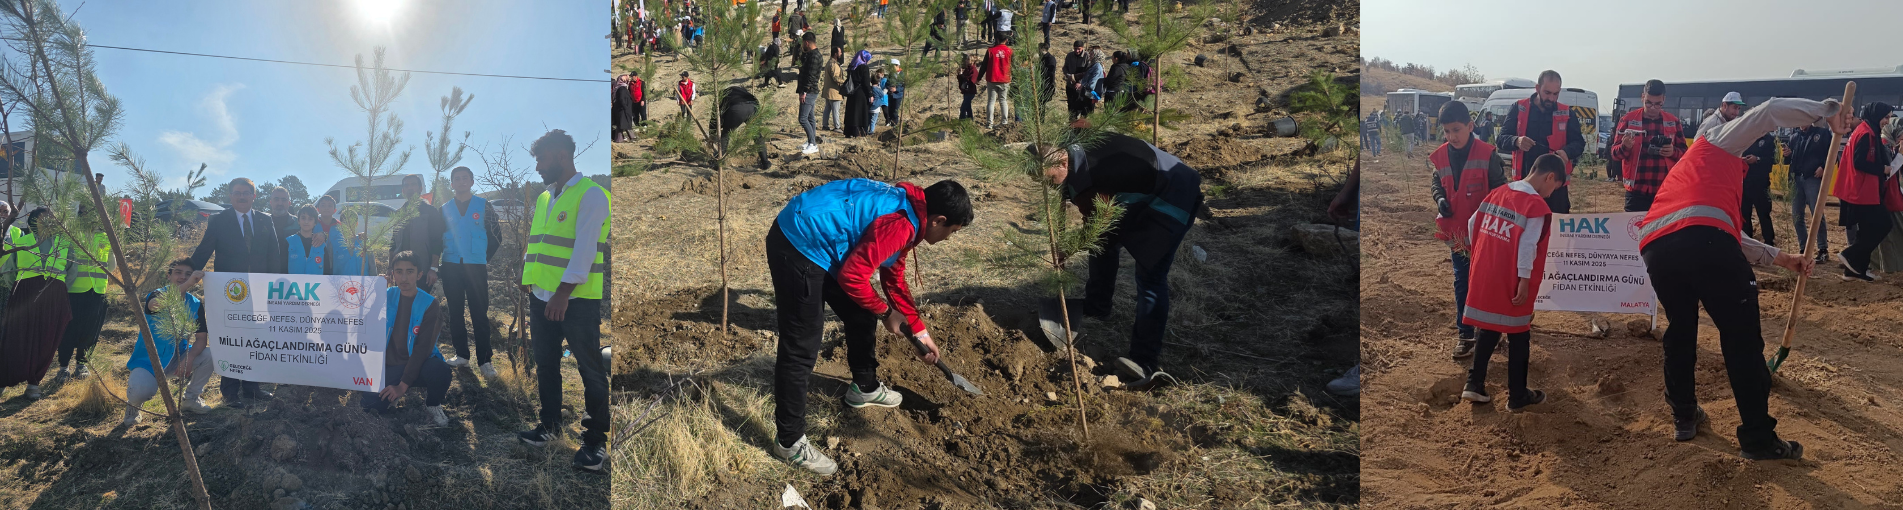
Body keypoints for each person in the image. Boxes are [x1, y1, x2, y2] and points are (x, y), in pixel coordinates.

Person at [1638, 97, 1843, 459]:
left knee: (1681, 330)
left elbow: (1727, 234)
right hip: (1702, 242)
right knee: (1741, 339)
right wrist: (1827, 112)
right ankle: (1758, 439)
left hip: (1658, 250)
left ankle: (1684, 416)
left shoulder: (1691, 179)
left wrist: (1785, 260)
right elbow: (1769, 111)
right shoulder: (1714, 142)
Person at [767, 178, 974, 475]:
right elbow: (853, 277)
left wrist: (919, 330)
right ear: (938, 220)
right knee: (801, 346)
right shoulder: (901, 223)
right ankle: (789, 441)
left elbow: (894, 276)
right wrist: (886, 312)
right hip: (798, 242)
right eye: (951, 232)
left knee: (861, 314)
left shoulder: (911, 209)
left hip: (825, 240)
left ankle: (864, 387)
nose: (949, 238)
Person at [1038, 131, 1205, 388]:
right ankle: (1098, 305)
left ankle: (1144, 360)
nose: (1047, 185)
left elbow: (1097, 223)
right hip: (1139, 185)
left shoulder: (1094, 178)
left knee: (1151, 276)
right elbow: (1074, 203)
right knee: (1103, 245)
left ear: (1062, 162)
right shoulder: (1073, 152)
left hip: (1173, 191)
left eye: (1049, 179)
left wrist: (1069, 249)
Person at [516, 130, 611, 472]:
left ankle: (595, 443)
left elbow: (584, 252)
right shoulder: (545, 198)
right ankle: (551, 425)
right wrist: (528, 280)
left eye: (541, 160)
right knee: (546, 364)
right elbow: (538, 243)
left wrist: (561, 294)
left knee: (590, 369)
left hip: (575, 301)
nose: (538, 167)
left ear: (559, 156)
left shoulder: (592, 195)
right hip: (542, 298)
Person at [1458, 154, 1567, 411]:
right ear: (1549, 177)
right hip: (1512, 277)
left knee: (1489, 325)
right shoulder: (1535, 206)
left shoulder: (1498, 192)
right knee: (1519, 334)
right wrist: (1524, 280)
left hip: (1486, 271)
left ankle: (1474, 384)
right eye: (1554, 187)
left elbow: (1473, 223)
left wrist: (1484, 255)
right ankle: (1517, 395)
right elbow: (1528, 246)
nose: (1551, 194)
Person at [187, 177, 283, 406]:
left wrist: (275, 287)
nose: (242, 197)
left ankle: (252, 388)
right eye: (237, 193)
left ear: (254, 196)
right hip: (230, 293)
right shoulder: (219, 221)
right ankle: (230, 392)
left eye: (246, 193)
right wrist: (184, 276)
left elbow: (274, 255)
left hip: (259, 292)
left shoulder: (265, 220)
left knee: (256, 338)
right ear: (230, 196)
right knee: (232, 339)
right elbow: (204, 251)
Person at [1429, 102, 1509, 360]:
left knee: (1490, 284)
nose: (1451, 136)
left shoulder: (1488, 155)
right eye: (1447, 131)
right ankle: (1465, 335)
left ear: (1470, 126)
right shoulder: (1441, 155)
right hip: (1458, 237)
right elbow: (1436, 182)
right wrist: (1439, 198)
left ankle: (1494, 331)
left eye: (1456, 130)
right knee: (1462, 282)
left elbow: (1501, 192)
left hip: (1487, 237)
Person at [361, 251, 454, 428]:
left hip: (418, 363)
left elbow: (422, 349)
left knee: (440, 371)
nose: (404, 277)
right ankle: (391, 393)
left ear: (419, 274)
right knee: (370, 405)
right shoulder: (386, 295)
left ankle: (433, 404)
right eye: (398, 271)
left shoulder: (429, 304)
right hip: (390, 365)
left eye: (410, 271)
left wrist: (402, 386)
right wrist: (375, 291)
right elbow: (366, 323)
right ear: (392, 273)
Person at [123, 258, 215, 425]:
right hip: (148, 362)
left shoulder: (195, 304)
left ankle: (191, 399)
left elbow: (201, 339)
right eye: (178, 272)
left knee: (211, 355)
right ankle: (133, 406)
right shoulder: (157, 293)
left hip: (178, 359)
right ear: (168, 275)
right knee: (140, 392)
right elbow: (154, 305)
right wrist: (188, 284)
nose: (183, 277)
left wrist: (190, 358)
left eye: (188, 274)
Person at [1, 207, 73, 400]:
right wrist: (20, 289)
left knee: (47, 338)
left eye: (52, 218)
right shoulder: (20, 240)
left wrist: (60, 290)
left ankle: (34, 383)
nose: (48, 221)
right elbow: (9, 270)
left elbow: (71, 271)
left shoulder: (65, 243)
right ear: (32, 220)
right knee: (16, 335)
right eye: (43, 218)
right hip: (25, 294)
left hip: (54, 296)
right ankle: (4, 378)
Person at [440, 167, 502, 377]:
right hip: (451, 266)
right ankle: (461, 355)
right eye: (456, 179)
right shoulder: (445, 208)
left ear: (472, 181)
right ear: (452, 184)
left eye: (465, 178)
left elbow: (496, 236)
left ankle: (485, 361)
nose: (461, 181)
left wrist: (482, 258)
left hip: (475, 267)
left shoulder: (484, 205)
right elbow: (437, 238)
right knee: (455, 312)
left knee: (479, 313)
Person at [1494, 70, 1583, 213]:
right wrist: (1516, 140)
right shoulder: (1519, 108)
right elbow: (1501, 139)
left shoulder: (1567, 113)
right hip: (1526, 183)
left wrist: (1567, 152)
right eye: (1547, 93)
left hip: (1555, 187)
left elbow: (1579, 143)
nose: (1551, 98)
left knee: (1555, 230)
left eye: (1556, 94)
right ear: (1537, 88)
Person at [1833, 102, 1902, 282]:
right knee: (1883, 224)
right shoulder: (1866, 133)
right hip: (1862, 191)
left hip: (1861, 190)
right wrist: (1883, 169)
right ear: (1876, 115)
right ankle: (1850, 255)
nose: (1887, 121)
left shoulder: (1866, 130)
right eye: (1886, 117)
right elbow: (1860, 162)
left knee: (1865, 230)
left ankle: (1855, 271)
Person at [52, 211, 111, 383]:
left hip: (98, 290)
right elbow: (59, 263)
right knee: (68, 329)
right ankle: (63, 367)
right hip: (73, 290)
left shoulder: (105, 237)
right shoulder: (67, 235)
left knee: (91, 330)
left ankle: (81, 364)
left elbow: (111, 264)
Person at [1612, 79, 1686, 212]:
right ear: (1642, 97)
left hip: (1664, 191)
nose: (1653, 108)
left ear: (1664, 99)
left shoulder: (1673, 122)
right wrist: (1625, 147)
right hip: (1636, 192)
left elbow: (1685, 155)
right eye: (1649, 103)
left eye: (1658, 104)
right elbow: (1614, 154)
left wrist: (1673, 152)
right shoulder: (1628, 120)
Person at [389, 174, 446, 291]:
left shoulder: (430, 211)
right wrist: (390, 267)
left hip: (422, 271)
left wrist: (433, 268)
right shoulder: (399, 213)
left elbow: (437, 241)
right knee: (402, 306)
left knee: (420, 306)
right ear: (403, 190)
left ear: (420, 188)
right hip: (401, 272)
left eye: (413, 184)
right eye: (407, 185)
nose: (410, 188)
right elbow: (393, 243)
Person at [1787, 123, 1832, 263]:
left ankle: (1823, 249)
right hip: (1796, 178)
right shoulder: (1794, 137)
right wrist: (1786, 155)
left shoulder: (1822, 134)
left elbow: (1832, 152)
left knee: (1817, 213)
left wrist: (1824, 167)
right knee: (1796, 215)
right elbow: (1788, 160)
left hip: (1813, 177)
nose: (1801, 122)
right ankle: (1804, 249)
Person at [1739, 131, 1777, 246]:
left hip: (1761, 183)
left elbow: (1773, 160)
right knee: (1745, 214)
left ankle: (1769, 243)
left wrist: (1757, 159)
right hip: (1745, 182)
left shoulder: (1769, 139)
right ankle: (1748, 243)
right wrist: (1743, 159)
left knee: (1764, 214)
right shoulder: (1746, 136)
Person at [317, 195, 369, 276]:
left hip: (336, 269)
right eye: (323, 205)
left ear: (335, 210)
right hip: (316, 265)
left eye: (329, 205)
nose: (326, 208)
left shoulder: (339, 226)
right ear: (318, 209)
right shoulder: (313, 224)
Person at [978, 34, 1014, 129]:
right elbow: (1013, 66)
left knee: (991, 101)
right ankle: (1004, 122)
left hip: (992, 79)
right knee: (1003, 101)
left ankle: (989, 123)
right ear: (1006, 40)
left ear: (997, 39)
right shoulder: (1010, 51)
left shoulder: (990, 51)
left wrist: (978, 78)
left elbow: (984, 66)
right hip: (1004, 79)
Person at [796, 32, 824, 154]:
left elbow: (811, 76)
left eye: (803, 43)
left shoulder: (814, 57)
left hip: (809, 92)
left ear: (807, 42)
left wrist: (804, 92)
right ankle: (810, 141)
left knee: (802, 118)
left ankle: (813, 144)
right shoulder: (812, 55)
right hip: (810, 91)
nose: (802, 45)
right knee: (810, 117)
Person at [285, 206, 332, 275]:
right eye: (303, 218)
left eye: (310, 219)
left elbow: (327, 271)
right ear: (298, 221)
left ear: (315, 222)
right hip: (293, 285)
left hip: (317, 285)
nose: (306, 222)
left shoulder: (321, 245)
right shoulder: (289, 242)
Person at [844, 50, 872, 137]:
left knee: (851, 112)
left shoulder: (851, 66)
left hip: (852, 92)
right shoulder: (864, 67)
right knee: (860, 113)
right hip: (861, 93)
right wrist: (870, 94)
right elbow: (866, 83)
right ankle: (859, 132)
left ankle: (849, 131)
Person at [823, 47, 845, 132]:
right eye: (840, 52)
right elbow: (836, 78)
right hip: (834, 91)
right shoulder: (834, 64)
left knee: (827, 108)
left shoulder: (829, 62)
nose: (841, 53)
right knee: (835, 110)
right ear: (835, 53)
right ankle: (837, 126)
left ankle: (825, 125)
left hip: (828, 91)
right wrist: (844, 82)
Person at [1063, 40, 1088, 120]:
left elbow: (1088, 72)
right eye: (1075, 49)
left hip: (1081, 86)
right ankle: (1071, 120)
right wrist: (1068, 75)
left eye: (1079, 49)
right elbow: (1065, 67)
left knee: (1079, 104)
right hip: (1070, 84)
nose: (1077, 51)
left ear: (1082, 48)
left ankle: (1078, 121)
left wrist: (1080, 82)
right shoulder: (1069, 55)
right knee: (1070, 104)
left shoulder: (1087, 56)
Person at [957, 53, 979, 120]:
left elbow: (971, 81)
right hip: (966, 91)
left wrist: (962, 75)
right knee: (968, 107)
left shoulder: (973, 70)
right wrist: (960, 74)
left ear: (972, 61)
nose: (966, 61)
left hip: (970, 91)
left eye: (968, 59)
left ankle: (961, 120)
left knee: (963, 108)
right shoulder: (967, 69)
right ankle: (970, 119)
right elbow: (963, 80)